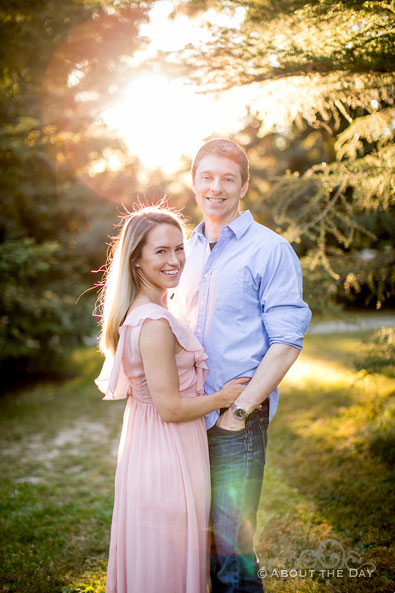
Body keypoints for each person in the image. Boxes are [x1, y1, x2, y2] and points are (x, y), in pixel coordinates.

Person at [174, 139, 312, 592]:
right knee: (199, 545)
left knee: (232, 553)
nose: (216, 188)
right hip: (188, 418)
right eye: (207, 177)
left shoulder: (270, 250)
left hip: (238, 423)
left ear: (244, 186)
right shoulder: (183, 251)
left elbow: (288, 340)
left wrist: (240, 412)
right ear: (194, 183)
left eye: (228, 179)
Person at [94, 206, 247, 593]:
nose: (175, 259)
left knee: (160, 552)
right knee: (168, 554)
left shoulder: (148, 311)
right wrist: (224, 397)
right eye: (161, 251)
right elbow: (171, 408)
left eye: (179, 249)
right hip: (167, 454)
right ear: (137, 259)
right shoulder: (154, 323)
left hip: (151, 445)